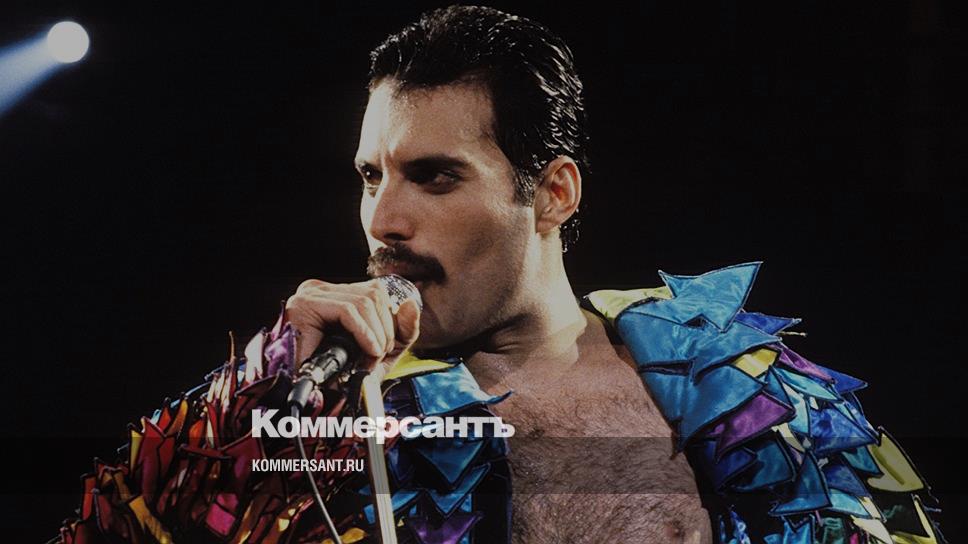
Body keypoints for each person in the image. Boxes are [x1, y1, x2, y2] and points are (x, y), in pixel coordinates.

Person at [56, 6, 945, 544]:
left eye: (435, 176)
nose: (383, 220)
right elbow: (113, 524)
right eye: (371, 176)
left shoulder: (746, 390)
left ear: (553, 193)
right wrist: (264, 383)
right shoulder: (327, 404)